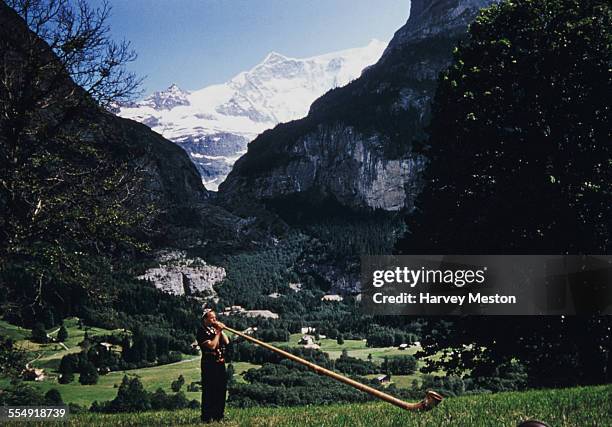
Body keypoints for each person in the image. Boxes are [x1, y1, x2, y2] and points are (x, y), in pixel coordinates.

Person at [197, 309, 230, 423]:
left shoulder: (214, 329)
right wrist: (218, 332)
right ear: (205, 319)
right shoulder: (201, 331)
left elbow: (226, 342)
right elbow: (211, 346)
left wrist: (221, 330)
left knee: (221, 390)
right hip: (209, 365)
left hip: (220, 363)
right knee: (209, 390)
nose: (215, 320)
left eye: (215, 317)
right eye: (212, 318)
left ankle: (218, 416)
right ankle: (206, 417)